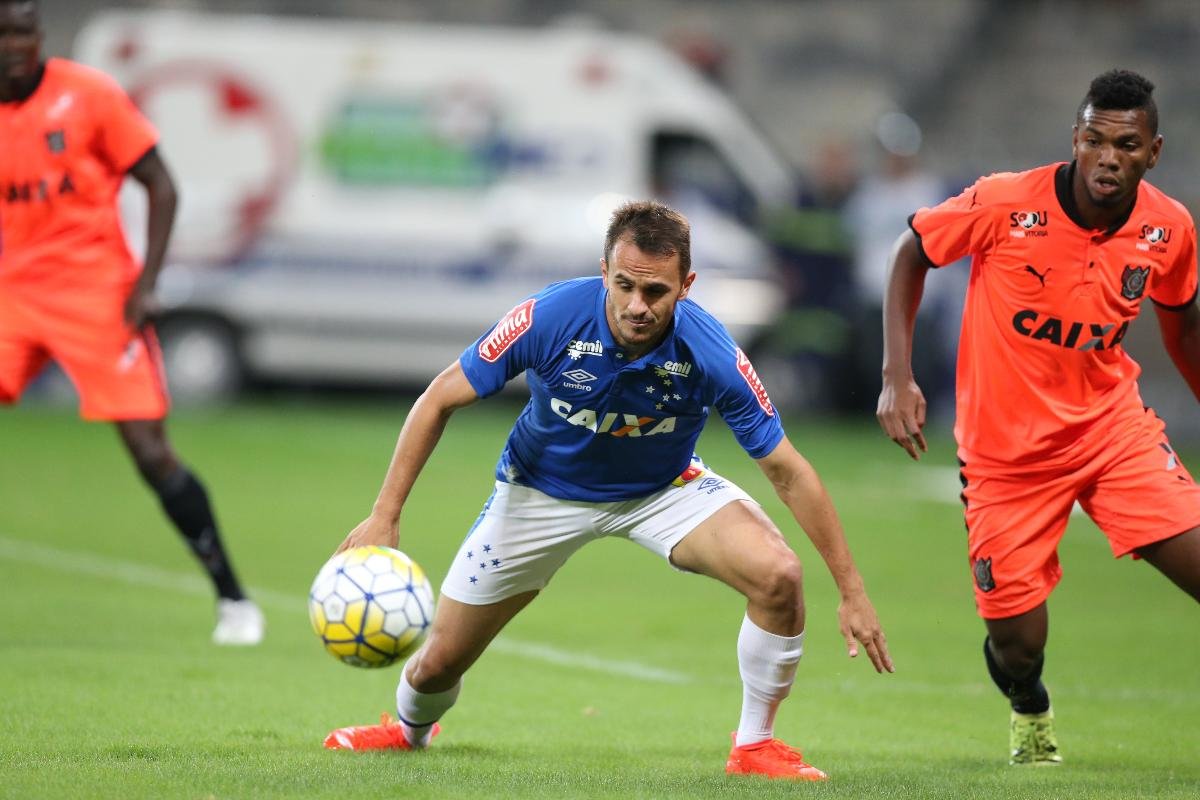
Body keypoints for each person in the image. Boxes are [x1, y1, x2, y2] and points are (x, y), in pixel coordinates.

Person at [324, 200, 893, 780]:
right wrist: (384, 515)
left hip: (661, 489)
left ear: (686, 286)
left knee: (779, 575)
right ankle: (408, 729)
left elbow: (788, 471)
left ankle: (754, 747)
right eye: (624, 286)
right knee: (436, 665)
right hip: (539, 493)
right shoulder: (550, 316)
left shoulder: (710, 350)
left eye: (656, 292)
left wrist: (852, 589)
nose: (637, 307)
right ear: (604, 272)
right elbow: (439, 396)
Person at [877, 69, 1200, 765]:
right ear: (1075, 141)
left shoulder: (1168, 227)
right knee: (1018, 645)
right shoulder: (1003, 202)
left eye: (1126, 143)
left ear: (1153, 152)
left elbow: (1184, 324)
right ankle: (1029, 705)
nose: (1108, 156)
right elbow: (913, 254)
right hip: (1005, 457)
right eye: (1094, 139)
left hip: (1114, 434)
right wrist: (896, 377)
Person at [0, 0, 263, 644]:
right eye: (4, 32)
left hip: (97, 292)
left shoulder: (87, 96)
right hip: (12, 293)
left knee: (149, 451)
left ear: (39, 36)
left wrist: (147, 285)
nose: (15, 43)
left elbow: (160, 184)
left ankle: (233, 600)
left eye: (25, 30)